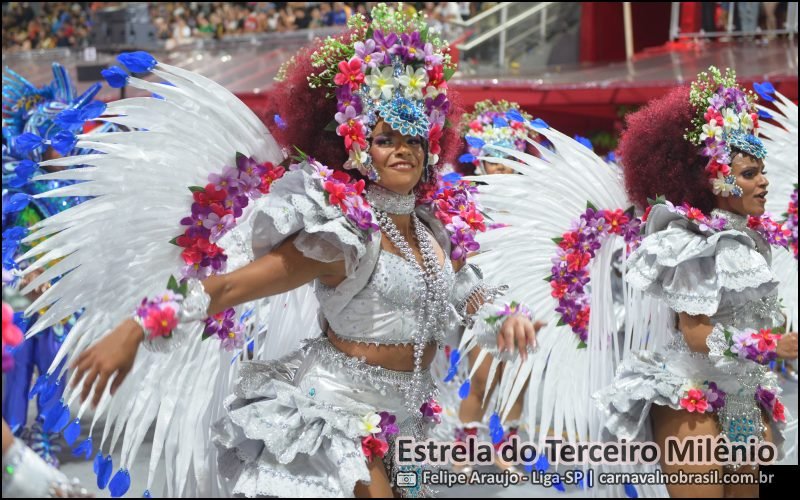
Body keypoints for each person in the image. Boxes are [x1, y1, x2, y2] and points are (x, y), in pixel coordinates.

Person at [23, 5, 540, 497]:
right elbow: (228, 286)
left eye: (412, 136)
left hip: (412, 419)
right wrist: (136, 328)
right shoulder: (346, 235)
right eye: (386, 138)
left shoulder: (434, 232)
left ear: (431, 148)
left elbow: (470, 295)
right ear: (358, 147)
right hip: (339, 417)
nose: (402, 148)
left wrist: (504, 320)